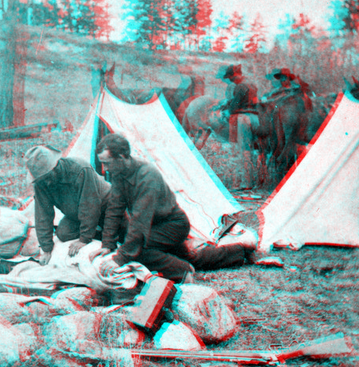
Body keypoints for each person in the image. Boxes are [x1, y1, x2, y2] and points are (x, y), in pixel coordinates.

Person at [94, 134, 257, 283]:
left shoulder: (146, 175)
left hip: (173, 225)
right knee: (193, 258)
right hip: (155, 227)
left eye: (106, 163)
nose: (104, 169)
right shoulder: (119, 174)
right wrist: (107, 244)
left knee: (137, 249)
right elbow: (114, 210)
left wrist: (119, 259)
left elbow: (139, 223)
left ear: (122, 157)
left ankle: (182, 271)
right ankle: (240, 252)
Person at [25, 145, 111, 266]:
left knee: (124, 237)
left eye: (48, 176)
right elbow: (42, 215)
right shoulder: (41, 182)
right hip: (77, 215)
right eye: (43, 178)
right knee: (64, 233)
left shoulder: (80, 168)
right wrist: (46, 248)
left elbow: (90, 205)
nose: (47, 182)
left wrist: (84, 239)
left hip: (106, 206)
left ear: (56, 166)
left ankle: (98, 232)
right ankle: (97, 233)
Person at [220, 64, 260, 189]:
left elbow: (234, 107)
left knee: (244, 150)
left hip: (243, 118)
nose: (231, 80)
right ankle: (256, 180)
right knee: (254, 150)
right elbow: (255, 102)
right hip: (255, 118)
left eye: (231, 77)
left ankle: (246, 183)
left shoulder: (239, 87)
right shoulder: (252, 85)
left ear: (235, 75)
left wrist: (227, 107)